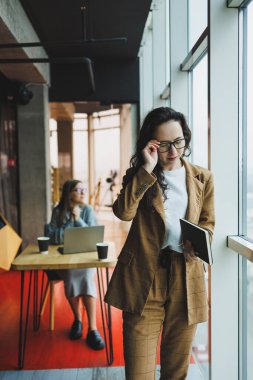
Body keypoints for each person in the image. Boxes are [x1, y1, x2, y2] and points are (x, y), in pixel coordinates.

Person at [105, 107, 215, 379]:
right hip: (145, 276)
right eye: (164, 145)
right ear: (150, 144)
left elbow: (208, 224)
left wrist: (199, 243)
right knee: (139, 373)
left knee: (175, 373)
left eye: (178, 142)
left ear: (186, 138)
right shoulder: (140, 175)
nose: (173, 151)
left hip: (186, 276)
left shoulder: (203, 178)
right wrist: (146, 168)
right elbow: (123, 212)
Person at [46, 179, 105, 350]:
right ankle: (78, 318)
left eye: (84, 189)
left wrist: (78, 220)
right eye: (78, 189)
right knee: (71, 275)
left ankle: (92, 328)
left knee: (86, 276)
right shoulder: (58, 211)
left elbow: (94, 236)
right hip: (65, 258)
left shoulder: (88, 210)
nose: (83, 192)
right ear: (68, 192)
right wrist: (68, 223)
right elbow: (51, 236)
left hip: (85, 256)